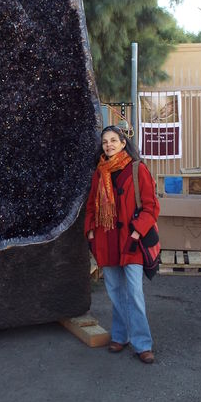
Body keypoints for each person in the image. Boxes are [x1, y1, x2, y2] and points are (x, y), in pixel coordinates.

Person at [85, 124, 160, 364]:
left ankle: (142, 344)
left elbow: (151, 207)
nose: (108, 144)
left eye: (113, 140)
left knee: (134, 294)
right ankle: (120, 335)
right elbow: (90, 208)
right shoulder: (99, 173)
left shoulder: (138, 170)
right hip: (106, 242)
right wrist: (90, 234)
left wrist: (137, 234)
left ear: (123, 143)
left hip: (131, 242)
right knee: (116, 293)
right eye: (105, 141)